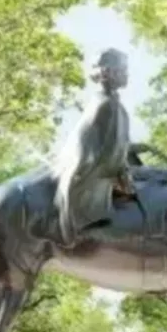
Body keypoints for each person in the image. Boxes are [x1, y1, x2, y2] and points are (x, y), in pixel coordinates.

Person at [52, 47, 135, 248]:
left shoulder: (113, 104)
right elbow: (101, 150)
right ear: (109, 72)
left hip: (110, 167)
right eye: (123, 69)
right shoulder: (105, 105)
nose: (126, 74)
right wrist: (121, 173)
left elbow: (118, 143)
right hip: (94, 173)